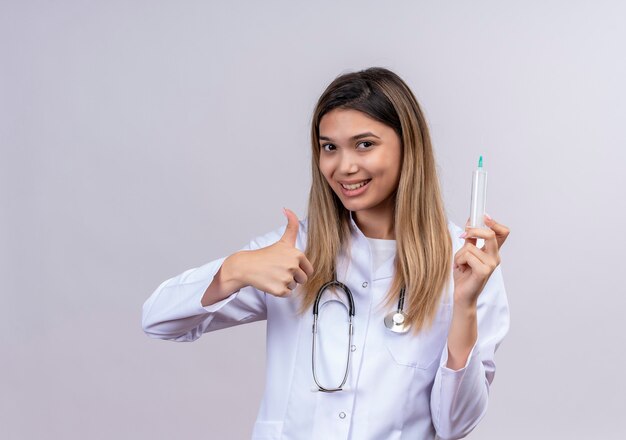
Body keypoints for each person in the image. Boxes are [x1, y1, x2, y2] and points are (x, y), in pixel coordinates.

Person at [142, 67, 511, 440]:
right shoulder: (295, 250)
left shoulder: (466, 266)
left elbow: (456, 425)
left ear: (408, 146)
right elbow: (158, 321)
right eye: (329, 147)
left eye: (365, 144)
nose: (344, 166)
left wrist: (463, 305)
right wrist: (234, 270)